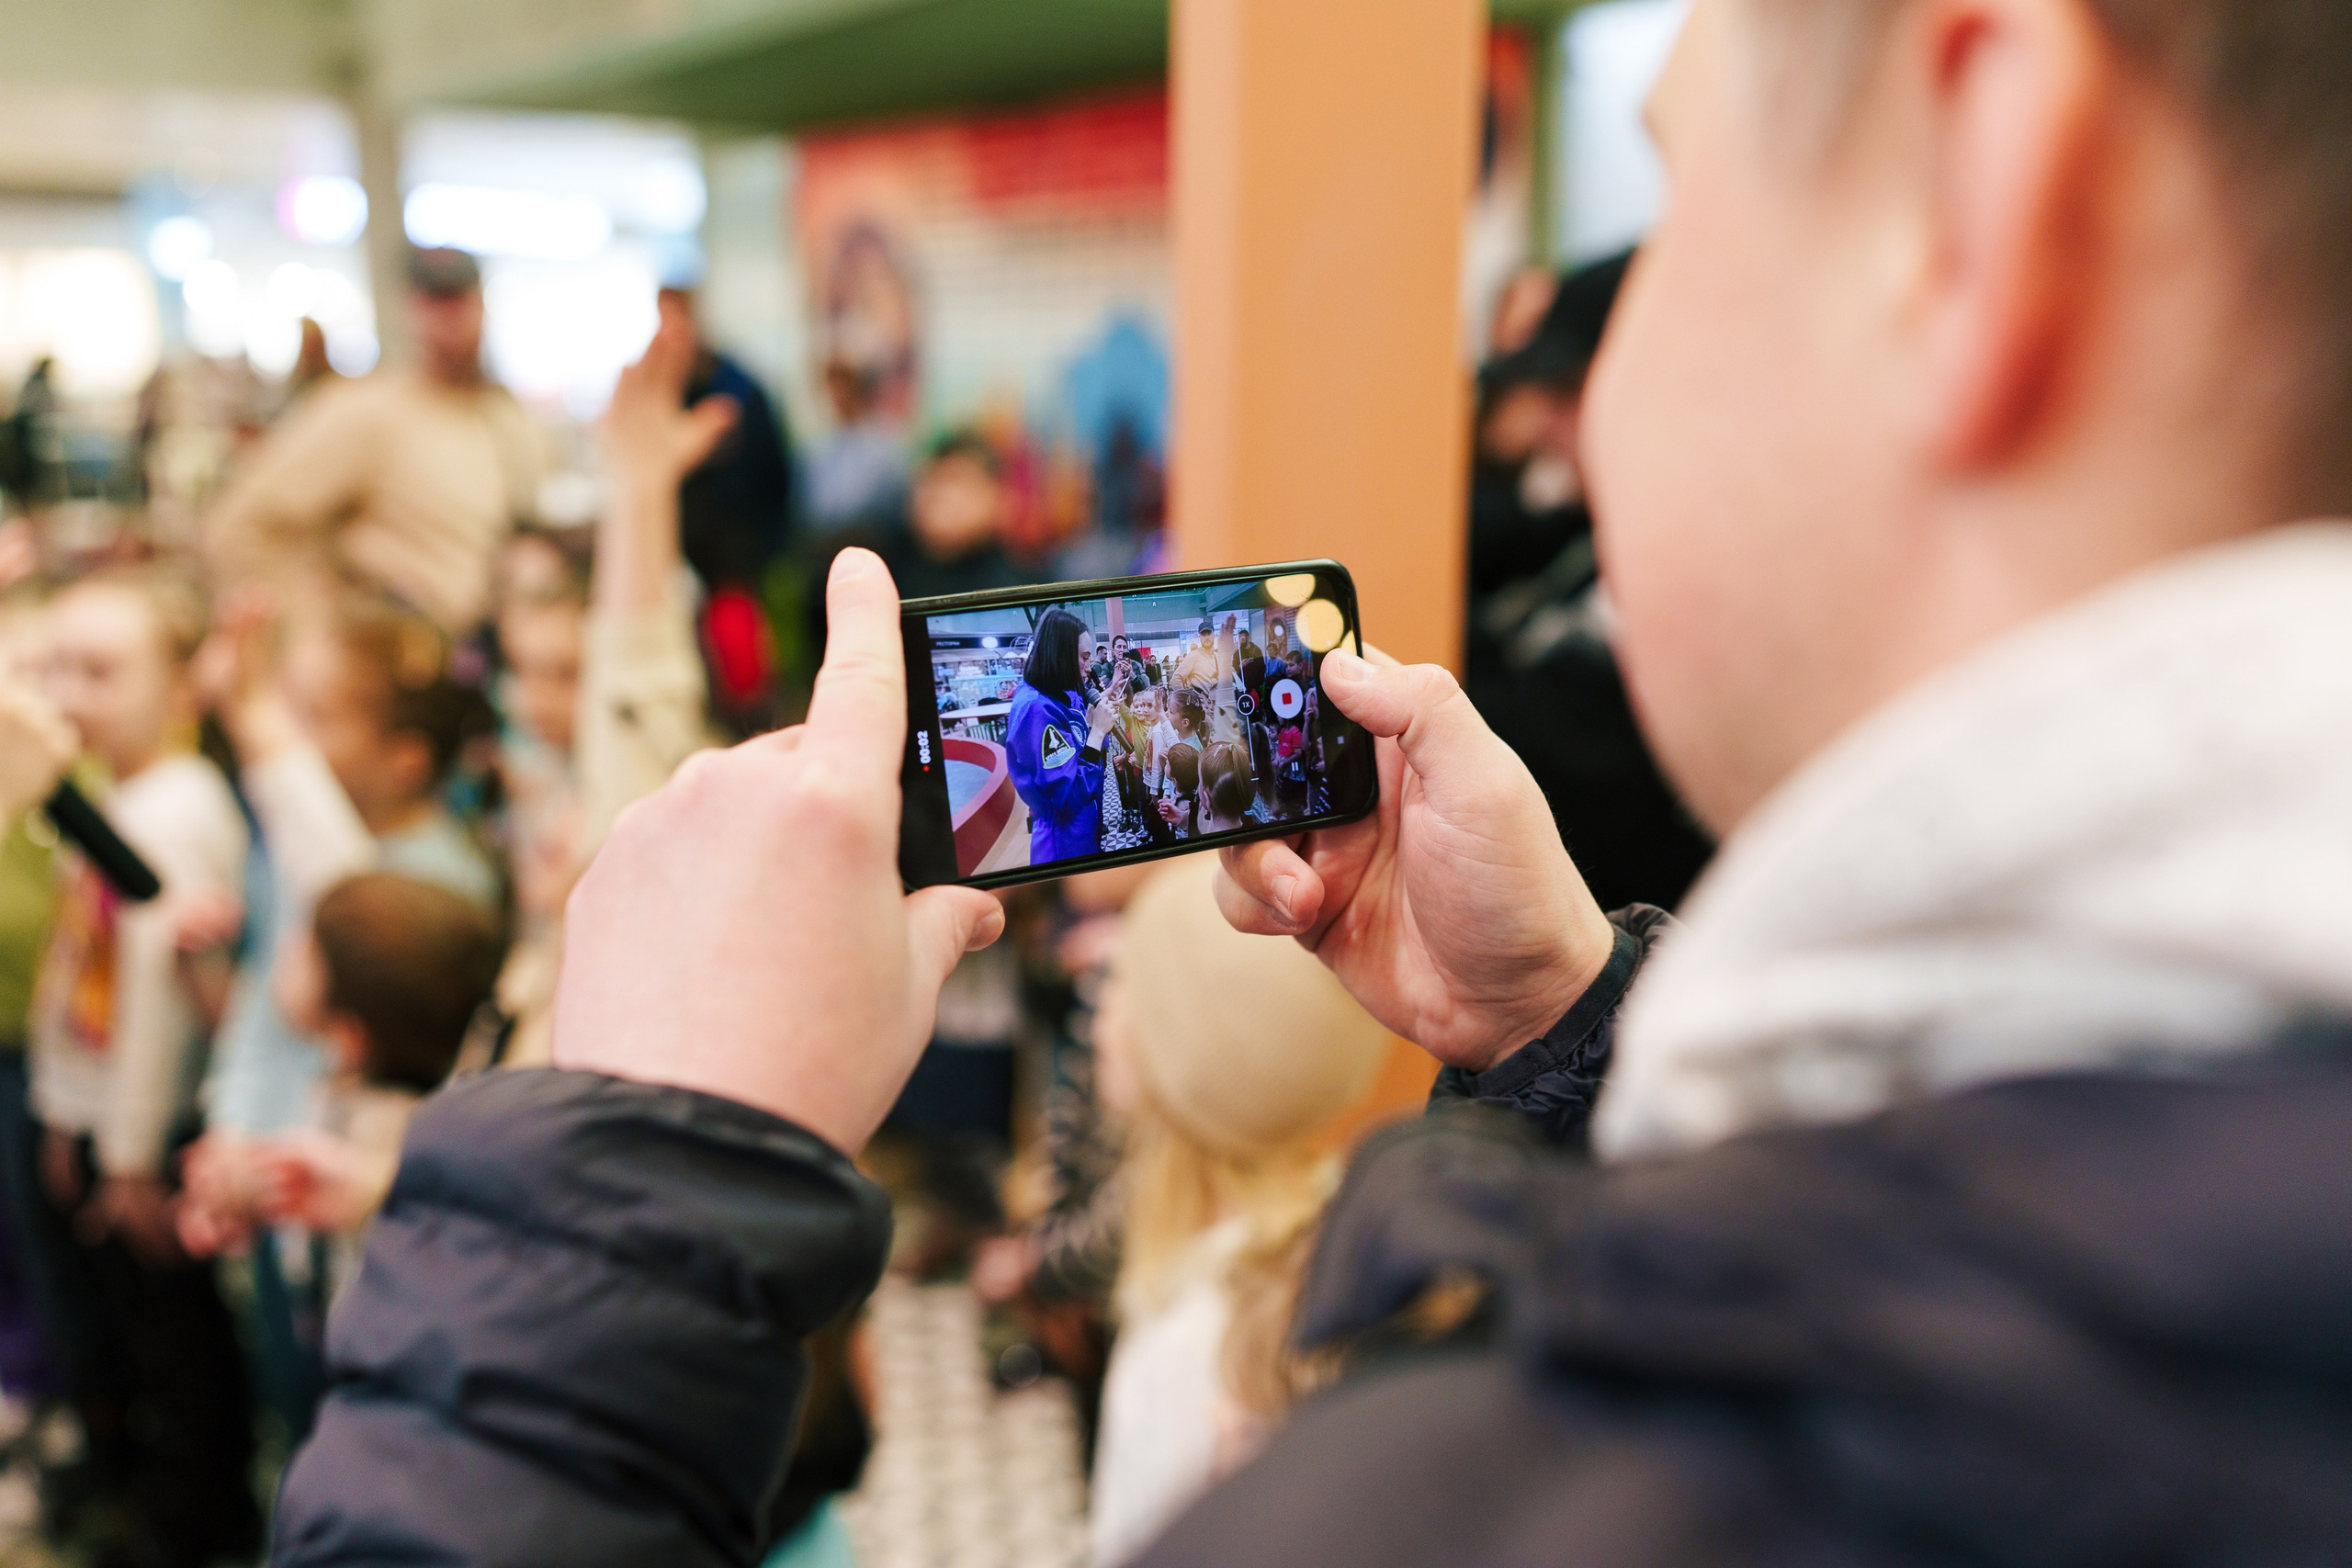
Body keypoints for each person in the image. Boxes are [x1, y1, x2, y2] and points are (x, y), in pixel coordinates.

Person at [275, 0, 2352, 1557]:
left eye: (1679, 198)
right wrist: (1574, 1042)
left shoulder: (1476, 1509)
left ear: (1978, 202)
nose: (1574, 394)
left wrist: (623, 1212)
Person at [28, 567, 259, 1567]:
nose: (73, 694)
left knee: (176, 1344)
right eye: (58, 669)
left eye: (102, 671)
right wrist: (59, 1110)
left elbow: (161, 1010)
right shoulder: (100, 795)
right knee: (124, 1330)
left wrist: (123, 1153)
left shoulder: (175, 809)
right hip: (93, 1116)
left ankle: (191, 1524)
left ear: (177, 689)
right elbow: (80, 973)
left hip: (148, 1135)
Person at [1086, 857, 1388, 1568]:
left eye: (1123, 978)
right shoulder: (1330, 1228)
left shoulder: (1194, 1345)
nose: (1100, 1008)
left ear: (1191, 1049)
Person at [181, 872, 504, 1299]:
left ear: (349, 1036)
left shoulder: (377, 1131)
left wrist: (255, 1187)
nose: (287, 945)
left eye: (310, 949)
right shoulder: (360, 1082)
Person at [202, 247, 548, 634]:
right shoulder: (365, 411)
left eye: (459, 300)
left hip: (494, 654)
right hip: (408, 657)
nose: (448, 319)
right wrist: (328, 630)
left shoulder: (506, 418)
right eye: (434, 302)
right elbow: (239, 526)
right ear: (409, 311)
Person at [656, 286, 796, 731]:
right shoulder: (660, 395)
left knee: (741, 671)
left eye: (679, 321)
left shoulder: (740, 390)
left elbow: (776, 475)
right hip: (678, 561)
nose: (671, 335)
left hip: (735, 559)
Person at [1006, 607, 1117, 867]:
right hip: (1063, 840)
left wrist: (1093, 726)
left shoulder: (1064, 692)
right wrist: (1097, 732)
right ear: (1062, 654)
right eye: (1085, 658)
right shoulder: (1036, 708)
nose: (1089, 668)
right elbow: (1067, 795)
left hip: (1085, 826)